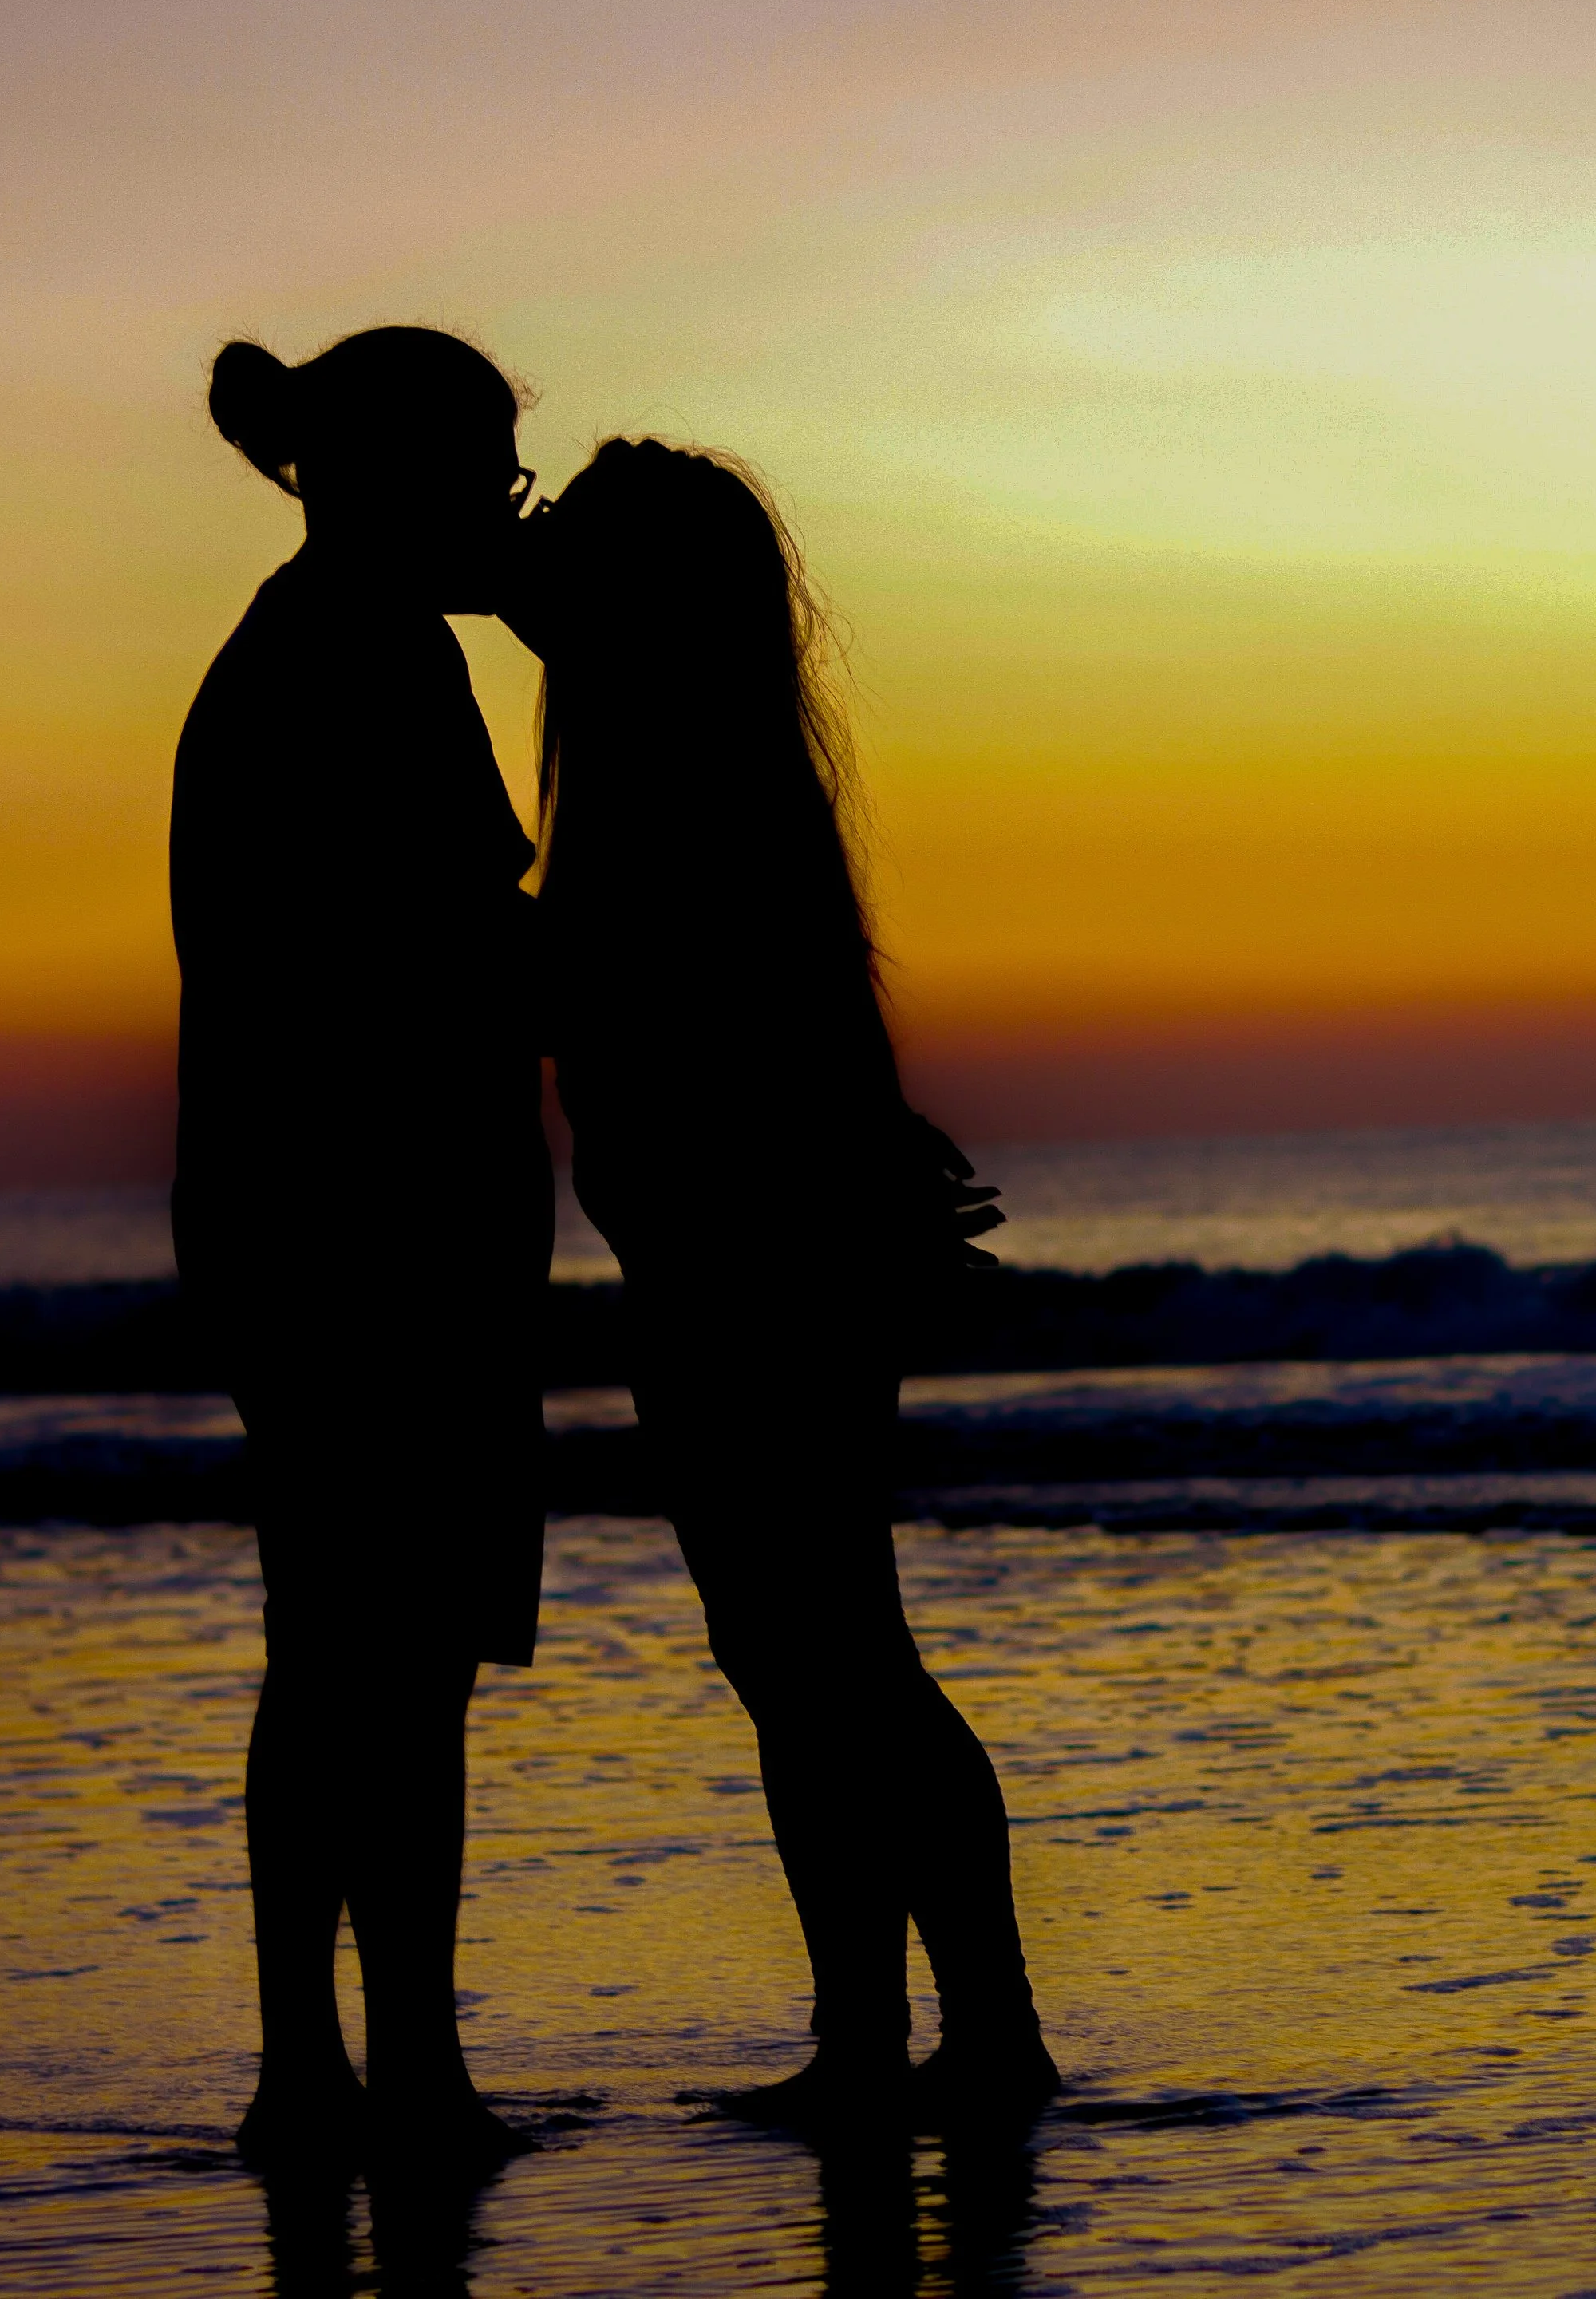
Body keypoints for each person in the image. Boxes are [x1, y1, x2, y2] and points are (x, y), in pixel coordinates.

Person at [519, 435, 1057, 2134]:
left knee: (831, 1657)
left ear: (638, 603)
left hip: (751, 1270)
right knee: (802, 1657)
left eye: (578, 554)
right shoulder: (691, 740)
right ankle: (879, 2038)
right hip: (735, 1261)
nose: (542, 568)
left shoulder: (675, 770)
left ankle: (972, 2035)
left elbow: (713, 1026)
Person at [171, 327, 554, 2171]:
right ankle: (383, 2073)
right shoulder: (360, 665)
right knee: (381, 1662)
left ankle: (337, 2065)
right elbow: (479, 956)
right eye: (481, 473)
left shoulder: (339, 646)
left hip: (314, 1221)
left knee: (343, 1649)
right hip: (373, 1232)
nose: (502, 507)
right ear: (380, 479)